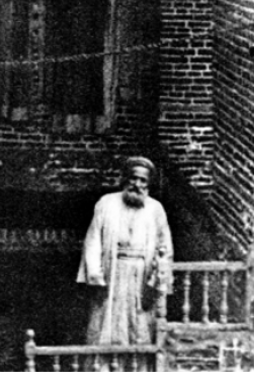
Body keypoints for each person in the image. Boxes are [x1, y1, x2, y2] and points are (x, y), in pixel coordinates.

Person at [76, 157, 173, 370]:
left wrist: (154, 283)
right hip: (112, 273)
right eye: (133, 178)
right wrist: (96, 279)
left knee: (139, 327)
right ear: (124, 179)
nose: (136, 185)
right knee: (106, 325)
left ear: (148, 184)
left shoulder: (156, 210)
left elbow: (165, 250)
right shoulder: (106, 203)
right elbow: (93, 243)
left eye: (142, 181)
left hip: (141, 278)